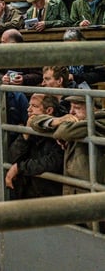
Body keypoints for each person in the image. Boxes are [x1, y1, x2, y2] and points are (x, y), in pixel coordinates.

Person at [30, 94, 105, 231]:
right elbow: (34, 122)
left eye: (77, 108)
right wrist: (57, 120)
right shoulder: (78, 123)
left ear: (94, 109)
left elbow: (64, 132)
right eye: (71, 107)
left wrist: (60, 124)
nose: (71, 112)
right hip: (76, 192)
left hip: (94, 197)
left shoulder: (100, 120)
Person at [5, 93, 63, 199]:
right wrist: (26, 134)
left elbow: (54, 162)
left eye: (35, 106)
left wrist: (20, 168)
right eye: (29, 105)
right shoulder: (30, 128)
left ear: (49, 111)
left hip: (50, 195)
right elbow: (11, 157)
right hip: (28, 190)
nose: (29, 110)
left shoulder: (59, 131)